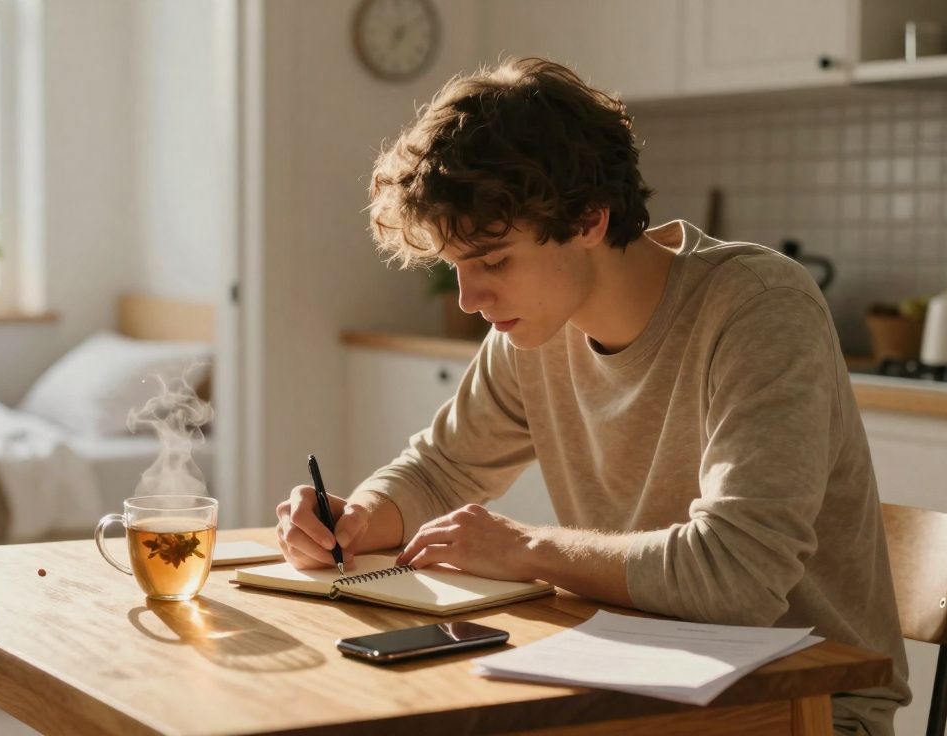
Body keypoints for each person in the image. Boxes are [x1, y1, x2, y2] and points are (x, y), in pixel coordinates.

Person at [274, 58, 909, 735]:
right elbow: (440, 469)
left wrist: (525, 549)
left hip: (802, 706)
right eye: (457, 268)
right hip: (636, 679)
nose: (469, 298)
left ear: (589, 220)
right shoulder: (536, 330)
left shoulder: (756, 309)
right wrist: (362, 517)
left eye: (492, 261)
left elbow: (737, 578)